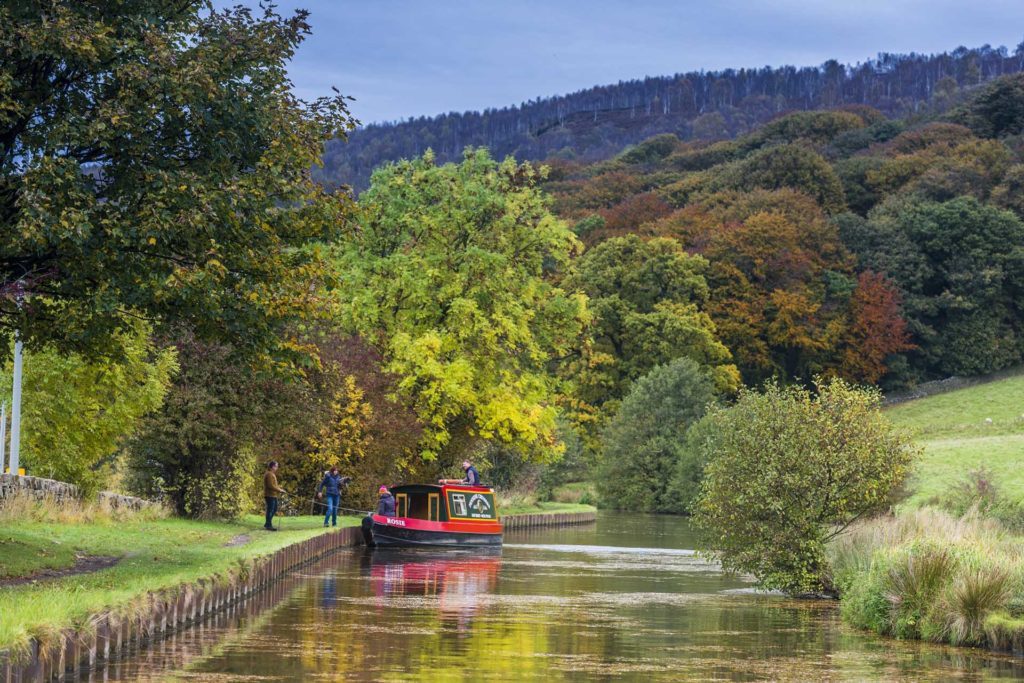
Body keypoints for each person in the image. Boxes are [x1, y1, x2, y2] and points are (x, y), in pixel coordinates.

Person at [263, 461, 286, 531]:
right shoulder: (269, 474)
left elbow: (274, 485)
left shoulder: (272, 474)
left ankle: (267, 523)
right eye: (276, 466)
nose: (277, 468)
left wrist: (280, 490)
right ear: (272, 467)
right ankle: (268, 525)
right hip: (269, 495)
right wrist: (279, 490)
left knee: (274, 509)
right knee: (270, 510)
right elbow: (271, 486)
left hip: (273, 495)